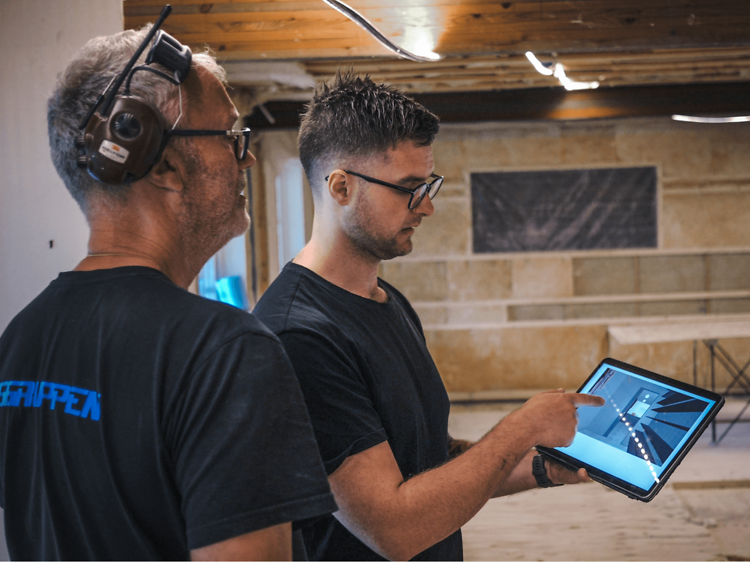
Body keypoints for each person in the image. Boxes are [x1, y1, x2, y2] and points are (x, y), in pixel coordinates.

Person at [0, 25, 336, 560]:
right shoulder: (225, 352)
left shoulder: (21, 339)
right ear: (161, 162)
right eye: (230, 137)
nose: (245, 158)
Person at [253, 71, 605, 561]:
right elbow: (394, 530)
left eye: (428, 184)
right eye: (409, 188)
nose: (428, 206)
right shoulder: (300, 336)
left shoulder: (385, 300)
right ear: (340, 187)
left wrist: (538, 467)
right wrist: (521, 427)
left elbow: (427, 461)